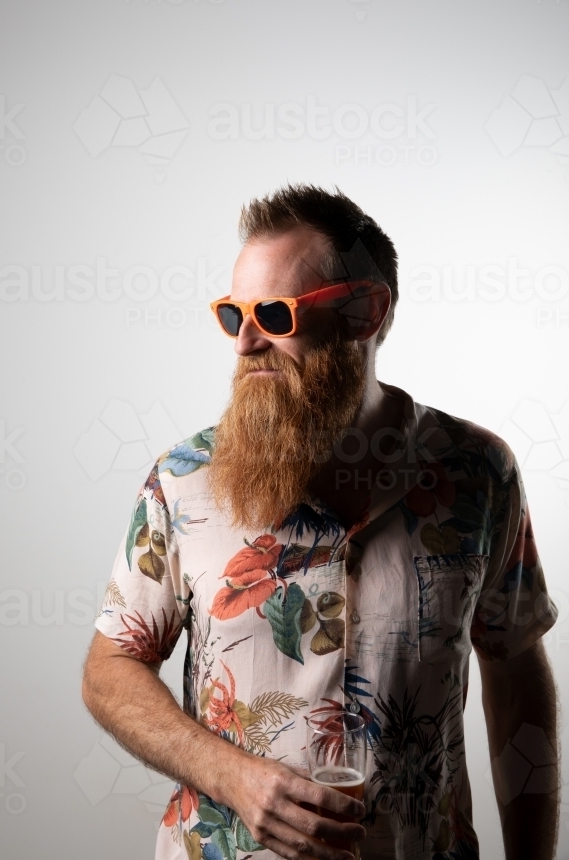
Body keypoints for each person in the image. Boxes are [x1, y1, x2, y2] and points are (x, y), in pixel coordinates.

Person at [82, 185, 559, 860]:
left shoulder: (478, 472)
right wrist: (232, 777)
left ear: (365, 312)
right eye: (232, 314)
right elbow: (109, 668)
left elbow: (514, 674)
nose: (245, 343)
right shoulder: (182, 478)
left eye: (274, 315)